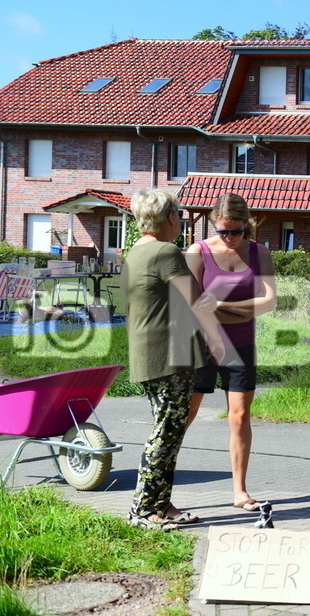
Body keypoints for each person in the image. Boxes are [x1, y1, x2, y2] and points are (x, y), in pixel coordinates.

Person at [123, 188, 223, 530]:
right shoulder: (166, 251)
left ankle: (161, 504)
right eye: (179, 215)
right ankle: (140, 510)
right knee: (165, 433)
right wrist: (216, 338)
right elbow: (197, 300)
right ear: (168, 218)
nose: (180, 221)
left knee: (171, 431)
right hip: (170, 355)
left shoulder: (135, 252)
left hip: (148, 353)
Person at [185, 193, 276, 512]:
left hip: (241, 346)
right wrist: (240, 311)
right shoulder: (198, 251)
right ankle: (159, 484)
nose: (230, 237)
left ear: (246, 224)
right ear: (213, 225)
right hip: (201, 344)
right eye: (223, 231)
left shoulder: (259, 252)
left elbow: (268, 302)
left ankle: (240, 491)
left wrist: (223, 306)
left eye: (236, 231)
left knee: (239, 418)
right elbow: (189, 304)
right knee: (185, 415)